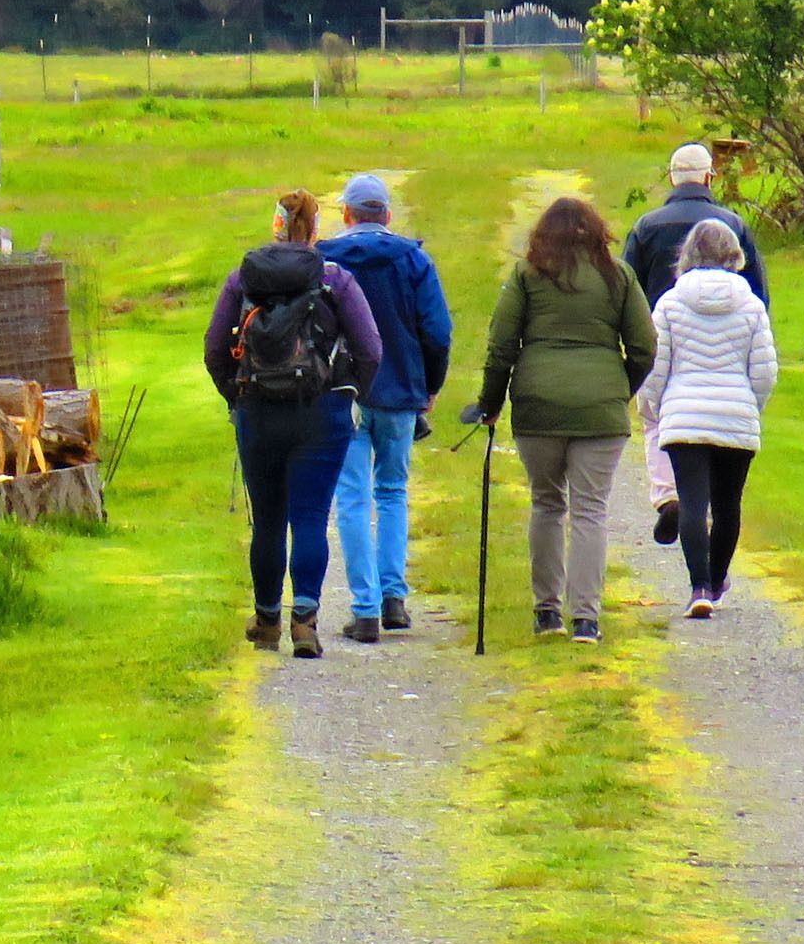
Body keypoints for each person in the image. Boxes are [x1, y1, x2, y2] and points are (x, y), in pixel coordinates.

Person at [460, 194, 655, 643]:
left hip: (538, 406)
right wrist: (616, 390)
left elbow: (501, 348)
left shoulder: (527, 276)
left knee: (547, 504)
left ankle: (547, 612)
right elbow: (644, 347)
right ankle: (586, 618)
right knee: (590, 510)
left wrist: (489, 404)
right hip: (600, 408)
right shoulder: (619, 277)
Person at [205, 190, 384, 658]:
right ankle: (304, 623)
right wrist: (350, 392)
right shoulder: (335, 280)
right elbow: (370, 349)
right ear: (317, 228)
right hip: (321, 411)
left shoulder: (241, 280)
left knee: (267, 520)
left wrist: (236, 395)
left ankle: (267, 621)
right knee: (309, 518)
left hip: (257, 411)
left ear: (277, 225)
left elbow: (212, 348)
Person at [320, 173, 453, 645]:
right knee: (393, 491)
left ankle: (365, 607)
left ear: (347, 215)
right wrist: (429, 386)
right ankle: (394, 596)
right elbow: (437, 331)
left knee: (352, 496)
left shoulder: (326, 260)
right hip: (399, 393)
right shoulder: (414, 260)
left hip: (344, 393)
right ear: (389, 216)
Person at [621, 143, 769, 548]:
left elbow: (625, 286)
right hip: (726, 345)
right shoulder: (732, 223)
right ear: (709, 177)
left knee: (656, 419)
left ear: (672, 177)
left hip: (660, 336)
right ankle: (703, 507)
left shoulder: (647, 226)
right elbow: (759, 292)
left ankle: (669, 496)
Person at [636, 218, 779, 620]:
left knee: (694, 503)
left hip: (685, 416)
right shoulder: (751, 305)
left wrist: (653, 409)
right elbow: (764, 371)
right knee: (728, 504)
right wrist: (751, 404)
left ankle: (697, 585)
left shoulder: (668, 303)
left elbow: (656, 368)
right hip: (736, 414)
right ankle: (717, 583)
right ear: (734, 255)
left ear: (686, 256)